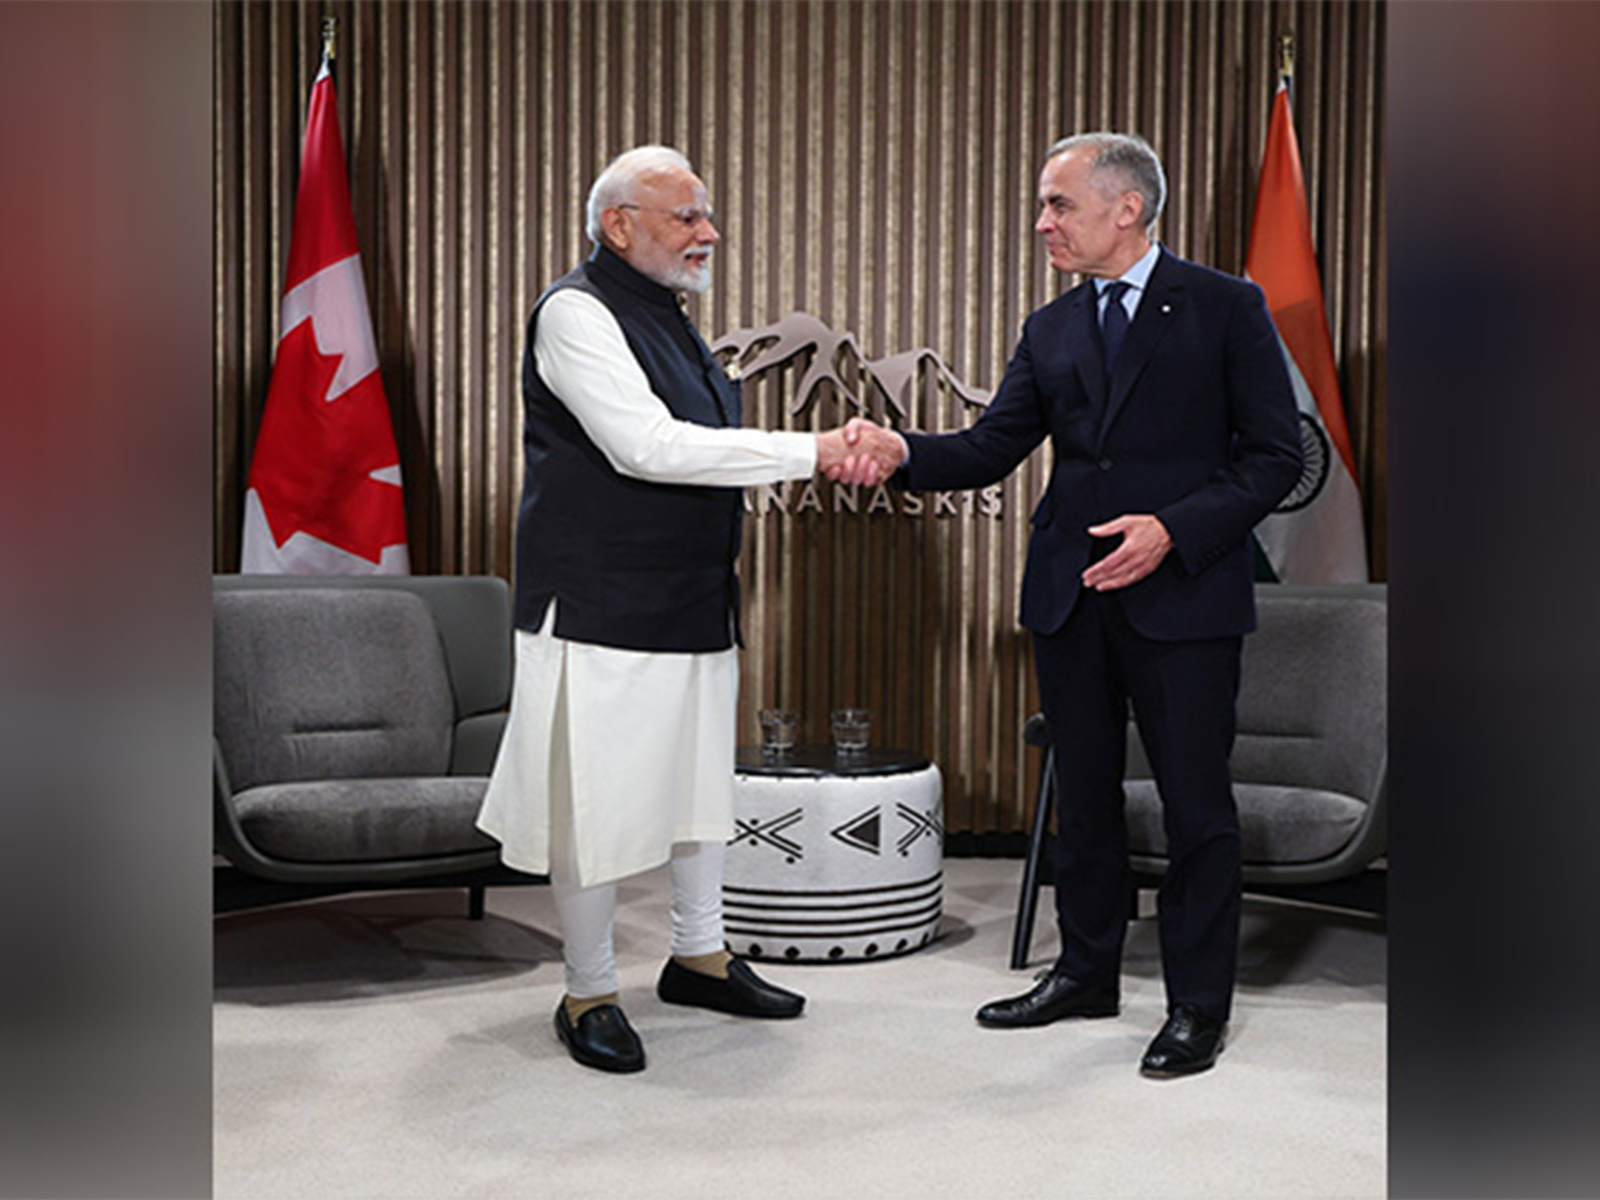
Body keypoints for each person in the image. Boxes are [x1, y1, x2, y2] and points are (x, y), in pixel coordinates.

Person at [836, 132, 1302, 1077]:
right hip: (1070, 594)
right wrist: (899, 452)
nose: (1042, 222)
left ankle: (1196, 1008)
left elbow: (1275, 460)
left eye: (1058, 204)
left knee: (1196, 808)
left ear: (1126, 208)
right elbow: (990, 447)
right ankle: (1085, 972)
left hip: (1183, 595)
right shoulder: (1051, 327)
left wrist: (1172, 528)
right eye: (1044, 205)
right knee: (1081, 802)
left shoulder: (1226, 306)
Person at [478, 145, 888, 1075]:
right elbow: (648, 448)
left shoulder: (671, 317)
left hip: (693, 597)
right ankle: (588, 988)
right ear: (619, 225)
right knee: (598, 809)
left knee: (701, 795)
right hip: (598, 604)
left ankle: (700, 956)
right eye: (686, 216)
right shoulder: (576, 311)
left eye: (706, 215)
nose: (709, 232)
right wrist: (816, 450)